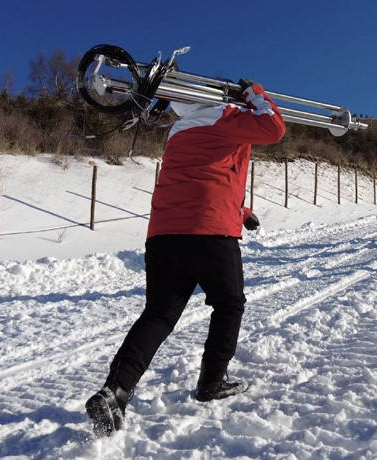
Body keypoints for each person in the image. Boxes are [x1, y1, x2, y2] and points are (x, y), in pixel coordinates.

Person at [85, 80, 286, 437]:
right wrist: (256, 91)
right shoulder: (226, 115)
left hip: (165, 234)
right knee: (229, 304)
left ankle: (115, 391)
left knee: (159, 314)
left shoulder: (179, 131)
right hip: (210, 233)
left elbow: (204, 177)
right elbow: (274, 127)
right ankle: (212, 382)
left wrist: (242, 210)